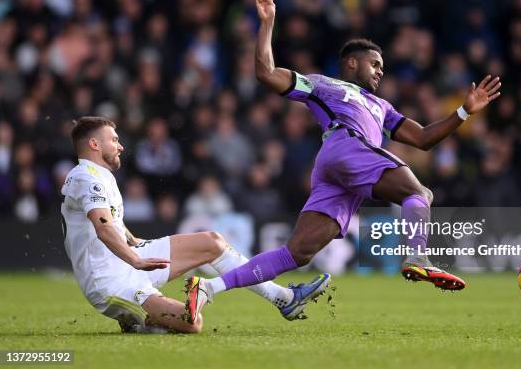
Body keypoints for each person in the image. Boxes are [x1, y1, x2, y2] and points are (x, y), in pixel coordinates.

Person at [186, 0, 501, 312]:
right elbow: (266, 73)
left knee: (297, 252)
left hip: (340, 171)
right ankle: (417, 256)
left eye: (382, 66)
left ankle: (208, 287)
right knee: (419, 193)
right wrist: (267, 22)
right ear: (351, 63)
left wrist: (463, 112)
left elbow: (422, 138)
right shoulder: (324, 84)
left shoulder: (383, 107)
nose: (381, 70)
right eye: (375, 64)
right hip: (346, 147)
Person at [61, 117, 331, 334]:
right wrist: (134, 259)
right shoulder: (86, 177)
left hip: (131, 259)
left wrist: (133, 241)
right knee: (193, 322)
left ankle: (284, 298)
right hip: (110, 282)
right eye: (114, 140)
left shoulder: (99, 176)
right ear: (94, 144)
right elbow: (103, 226)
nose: (120, 146)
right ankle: (138, 320)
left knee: (211, 241)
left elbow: (112, 221)